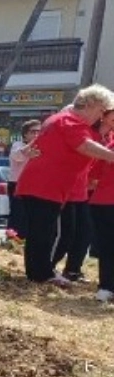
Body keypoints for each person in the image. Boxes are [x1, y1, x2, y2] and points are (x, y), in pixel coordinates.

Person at [15, 85, 114, 285]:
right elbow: (85, 146)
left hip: (45, 184)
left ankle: (37, 273)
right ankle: (43, 273)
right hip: (46, 184)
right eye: (102, 110)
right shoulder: (70, 120)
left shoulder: (67, 121)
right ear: (91, 104)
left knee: (42, 231)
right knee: (52, 232)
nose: (101, 116)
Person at [86, 110, 114, 301]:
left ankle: (106, 287)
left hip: (103, 201)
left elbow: (92, 177)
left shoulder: (109, 145)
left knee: (106, 247)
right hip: (105, 201)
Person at [6, 120, 40, 236]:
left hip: (33, 185)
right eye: (33, 132)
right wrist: (32, 145)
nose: (36, 135)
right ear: (25, 134)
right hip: (17, 184)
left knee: (30, 216)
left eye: (39, 132)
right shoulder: (18, 145)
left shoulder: (39, 148)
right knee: (17, 214)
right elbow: (18, 156)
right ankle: (13, 240)